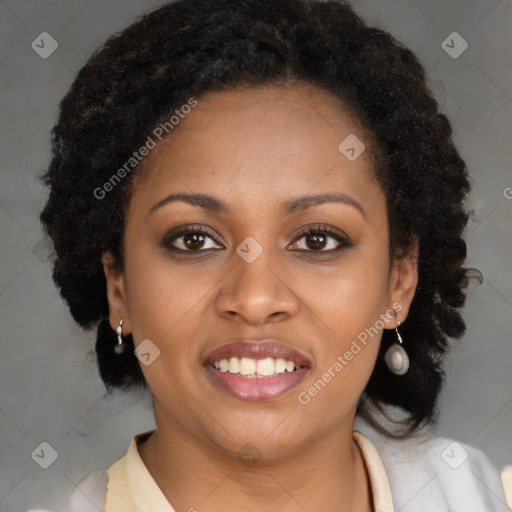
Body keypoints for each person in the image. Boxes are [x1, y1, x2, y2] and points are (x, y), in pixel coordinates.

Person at [30, 0, 511, 510]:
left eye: (318, 240)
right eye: (194, 240)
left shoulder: (478, 495)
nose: (256, 299)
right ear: (118, 286)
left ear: (399, 281)